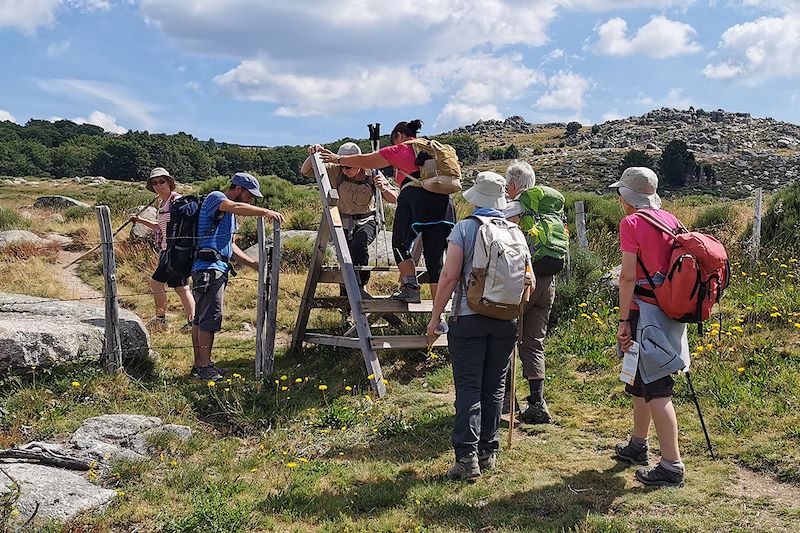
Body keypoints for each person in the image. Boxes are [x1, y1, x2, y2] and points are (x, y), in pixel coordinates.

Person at [426, 171, 527, 480]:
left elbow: (448, 276)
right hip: (506, 320)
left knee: (468, 387)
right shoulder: (515, 231)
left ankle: (466, 459)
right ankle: (489, 452)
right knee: (494, 386)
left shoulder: (464, 228)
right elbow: (530, 280)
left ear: (475, 198)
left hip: (468, 318)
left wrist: (435, 317)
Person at [610, 167, 690, 488]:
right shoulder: (671, 220)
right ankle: (637, 445)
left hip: (644, 313)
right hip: (670, 309)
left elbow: (627, 276)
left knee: (656, 388)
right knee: (640, 381)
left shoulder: (631, 223)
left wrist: (623, 320)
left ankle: (671, 465)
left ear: (628, 198)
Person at [321, 119, 455, 304]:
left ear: (398, 136)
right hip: (445, 203)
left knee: (399, 244)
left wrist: (338, 159)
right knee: (435, 259)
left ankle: (411, 288)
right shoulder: (430, 149)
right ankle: (438, 316)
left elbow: (365, 161)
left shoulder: (401, 149)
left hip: (415, 201)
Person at [191, 172, 285, 381]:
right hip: (208, 269)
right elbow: (236, 207)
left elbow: (231, 246)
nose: (251, 199)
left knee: (201, 318)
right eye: (249, 194)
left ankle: (200, 364)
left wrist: (253, 264)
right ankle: (204, 366)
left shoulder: (230, 216)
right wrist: (266, 212)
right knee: (209, 319)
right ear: (238, 189)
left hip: (216, 268)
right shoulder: (217, 198)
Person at [501, 160, 556, 424]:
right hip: (549, 281)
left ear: (512, 184)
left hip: (524, 279)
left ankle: (504, 400)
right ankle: (537, 403)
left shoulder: (513, 209)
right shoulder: (547, 211)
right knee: (534, 341)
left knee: (505, 334)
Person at [301, 142, 398, 287]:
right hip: (342, 220)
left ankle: (361, 284)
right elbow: (306, 171)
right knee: (345, 256)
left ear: (359, 162)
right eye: (342, 165)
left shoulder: (372, 173)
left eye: (348, 166)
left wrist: (383, 188)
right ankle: (346, 293)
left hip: (367, 220)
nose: (345, 170)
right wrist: (314, 153)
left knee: (359, 245)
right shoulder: (336, 170)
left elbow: (394, 197)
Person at [130, 167, 195, 332]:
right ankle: (193, 322)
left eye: (162, 181)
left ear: (169, 183)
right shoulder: (164, 203)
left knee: (155, 283)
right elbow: (160, 227)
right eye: (155, 183)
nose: (158, 185)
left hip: (174, 253)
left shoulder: (176, 202)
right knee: (181, 287)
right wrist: (140, 220)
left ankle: (161, 319)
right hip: (172, 252)